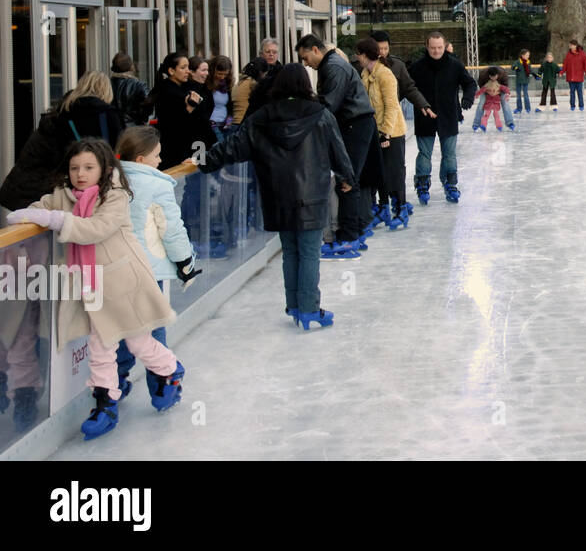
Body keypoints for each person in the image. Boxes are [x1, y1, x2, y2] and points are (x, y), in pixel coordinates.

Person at [4, 138, 182, 440]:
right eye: (74, 168)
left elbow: (95, 229)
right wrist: (25, 217)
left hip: (122, 285)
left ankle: (170, 369)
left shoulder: (115, 197)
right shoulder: (62, 196)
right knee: (101, 347)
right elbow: (39, 210)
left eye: (88, 167)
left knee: (139, 344)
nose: (80, 174)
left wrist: (54, 219)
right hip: (91, 288)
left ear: (103, 168)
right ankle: (105, 403)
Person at [198, 64, 357, 322]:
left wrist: (203, 161)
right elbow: (337, 149)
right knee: (309, 253)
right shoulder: (321, 114)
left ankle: (294, 305)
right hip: (312, 195)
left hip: (278, 195)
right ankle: (308, 308)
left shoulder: (261, 117)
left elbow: (233, 146)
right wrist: (347, 178)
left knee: (291, 251)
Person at [113, 126, 201, 400]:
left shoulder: (107, 181)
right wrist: (186, 262)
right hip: (150, 270)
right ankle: (163, 385)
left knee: (123, 327)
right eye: (156, 156)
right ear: (140, 159)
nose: (160, 161)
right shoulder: (157, 184)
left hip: (116, 269)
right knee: (153, 327)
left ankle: (116, 382)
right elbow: (171, 230)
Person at [296, 34, 377, 257]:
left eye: (305, 58)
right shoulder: (330, 66)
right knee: (350, 179)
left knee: (347, 180)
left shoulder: (334, 67)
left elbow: (329, 104)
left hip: (355, 125)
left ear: (315, 50)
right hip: (354, 124)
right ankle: (355, 232)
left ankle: (349, 237)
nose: (306, 64)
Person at [0, 71, 125, 214]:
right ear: (107, 90)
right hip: (60, 192)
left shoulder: (60, 112)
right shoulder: (109, 117)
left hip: (32, 188)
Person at [408, 31, 478, 204]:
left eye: (439, 47)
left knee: (449, 154)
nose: (436, 51)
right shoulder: (417, 67)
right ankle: (422, 184)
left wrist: (468, 98)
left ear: (444, 46)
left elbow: (470, 83)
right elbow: (405, 86)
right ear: (427, 47)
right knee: (424, 153)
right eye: (433, 48)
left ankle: (450, 183)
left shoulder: (454, 65)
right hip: (424, 116)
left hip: (448, 115)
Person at [357, 36, 410, 231]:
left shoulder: (385, 75)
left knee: (393, 173)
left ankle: (401, 209)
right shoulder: (365, 74)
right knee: (380, 174)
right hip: (375, 132)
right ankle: (384, 208)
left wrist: (385, 133)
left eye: (359, 54)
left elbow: (392, 106)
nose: (357, 57)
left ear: (365, 55)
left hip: (392, 132)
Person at [150, 53, 214, 170]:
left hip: (190, 146)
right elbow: (174, 123)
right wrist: (190, 108)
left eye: (188, 67)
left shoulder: (184, 88)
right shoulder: (169, 92)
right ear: (171, 71)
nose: (187, 71)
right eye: (183, 68)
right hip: (175, 149)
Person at [372, 30, 435, 123]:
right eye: (379, 49)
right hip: (370, 117)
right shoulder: (361, 65)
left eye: (386, 48)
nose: (383, 52)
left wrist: (423, 104)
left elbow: (409, 88)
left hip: (392, 117)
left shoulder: (397, 65)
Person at [109, 52, 150, 126]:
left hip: (112, 127)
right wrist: (143, 119)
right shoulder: (138, 85)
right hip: (134, 128)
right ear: (131, 67)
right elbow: (148, 106)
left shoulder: (106, 84)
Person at [231, 57, 269, 126]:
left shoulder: (241, 82)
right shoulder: (252, 83)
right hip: (243, 123)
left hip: (234, 122)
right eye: (265, 74)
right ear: (260, 72)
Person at [206, 56, 235, 139]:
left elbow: (230, 106)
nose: (222, 77)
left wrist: (229, 120)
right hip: (212, 124)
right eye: (219, 73)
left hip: (225, 125)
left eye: (225, 74)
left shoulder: (227, 84)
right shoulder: (207, 84)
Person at [562, 39, 586, 110]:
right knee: (572, 92)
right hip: (570, 76)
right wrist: (562, 72)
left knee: (579, 92)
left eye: (571, 45)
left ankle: (581, 105)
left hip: (579, 77)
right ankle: (572, 105)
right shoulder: (568, 54)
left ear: (575, 46)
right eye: (570, 45)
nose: (570, 46)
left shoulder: (582, 54)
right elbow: (565, 64)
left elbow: (585, 64)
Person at [511, 49, 540, 113]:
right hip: (519, 81)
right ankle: (519, 109)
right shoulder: (518, 62)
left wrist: (535, 75)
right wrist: (515, 67)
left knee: (525, 95)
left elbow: (530, 70)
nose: (528, 56)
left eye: (528, 55)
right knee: (518, 96)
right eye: (527, 55)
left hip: (525, 81)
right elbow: (512, 67)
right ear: (522, 55)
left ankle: (528, 108)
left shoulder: (528, 62)